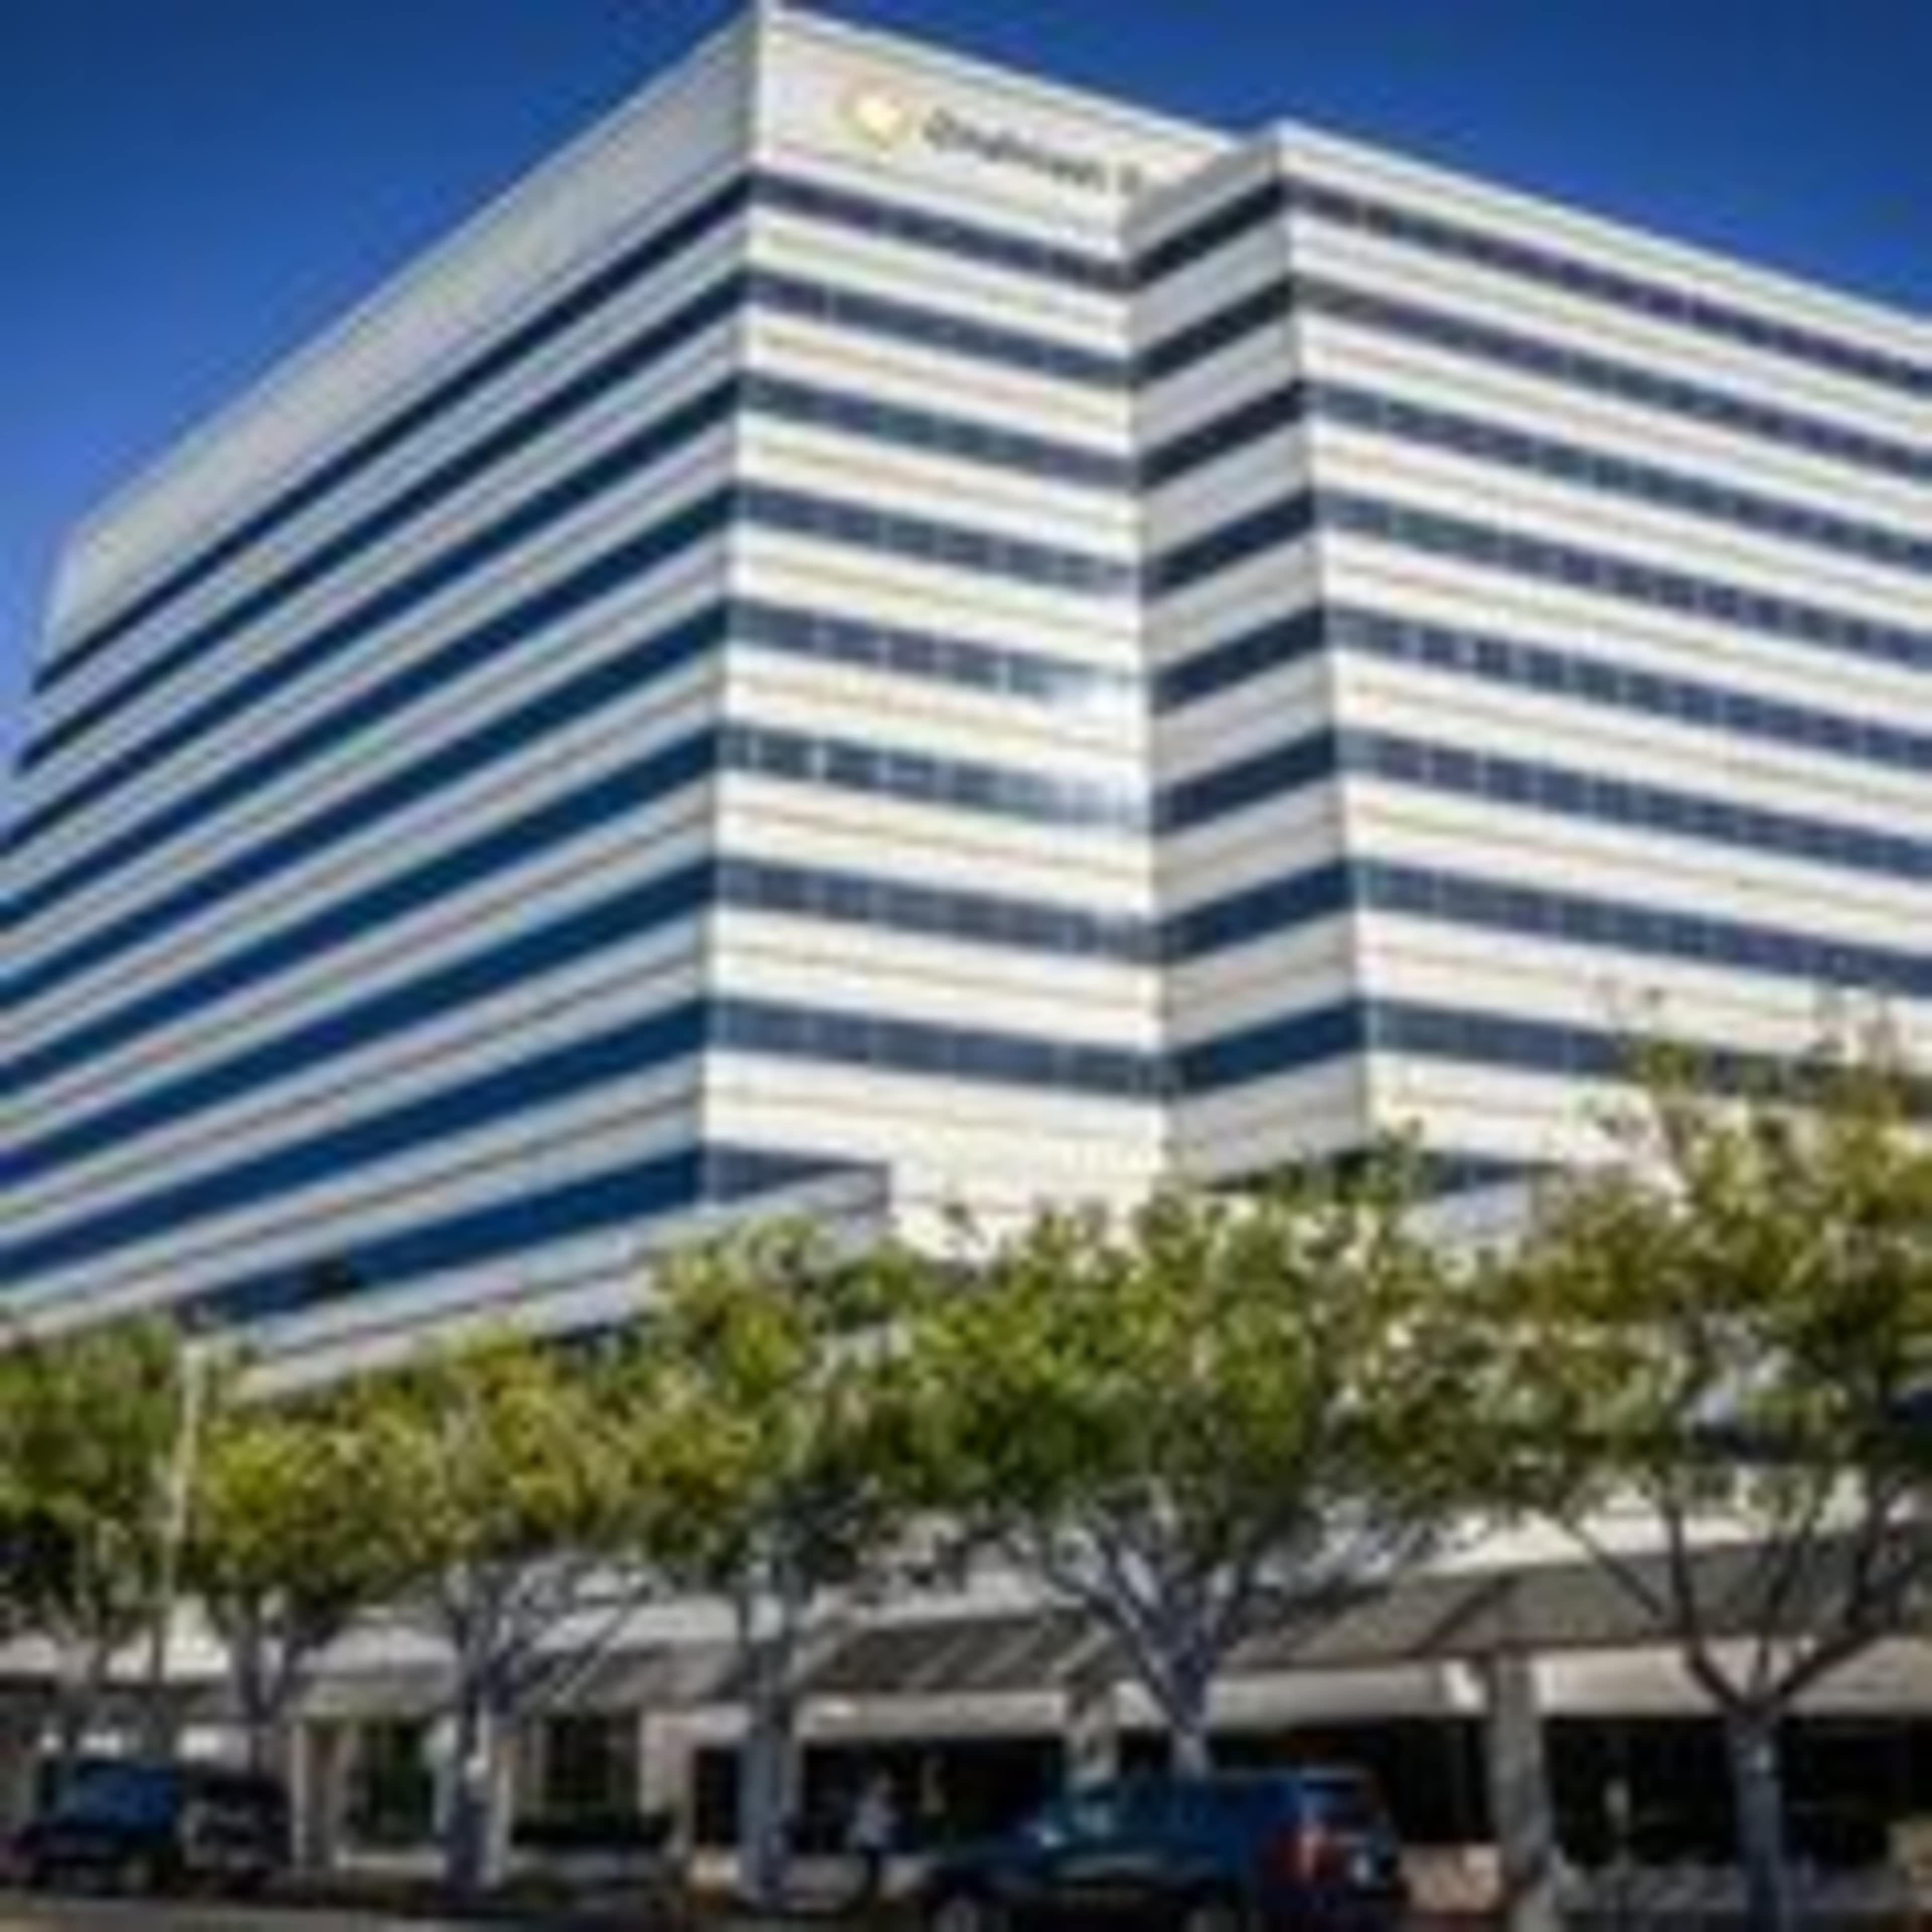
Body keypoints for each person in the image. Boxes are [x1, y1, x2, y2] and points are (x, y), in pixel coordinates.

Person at [845, 1770, 899, 1909]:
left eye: (888, 1785)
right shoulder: (870, 1804)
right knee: (872, 1878)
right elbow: (883, 1822)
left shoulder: (873, 1803)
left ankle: (870, 1900)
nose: (888, 1788)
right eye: (885, 1784)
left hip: (873, 1845)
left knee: (874, 1877)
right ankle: (868, 1902)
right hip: (871, 1845)